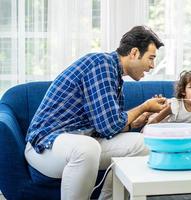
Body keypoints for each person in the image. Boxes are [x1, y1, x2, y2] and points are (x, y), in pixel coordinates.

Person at [24, 25, 166, 200]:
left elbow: (105, 128)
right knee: (87, 148)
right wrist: (144, 107)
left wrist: (133, 123)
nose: (152, 66)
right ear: (134, 53)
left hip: (78, 141)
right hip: (46, 146)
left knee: (144, 144)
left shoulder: (114, 75)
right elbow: (110, 125)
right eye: (151, 58)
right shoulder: (101, 64)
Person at [144, 70, 191, 149]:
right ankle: (146, 116)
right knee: (155, 124)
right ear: (183, 91)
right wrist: (144, 134)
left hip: (182, 132)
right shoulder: (175, 104)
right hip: (165, 127)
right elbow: (156, 120)